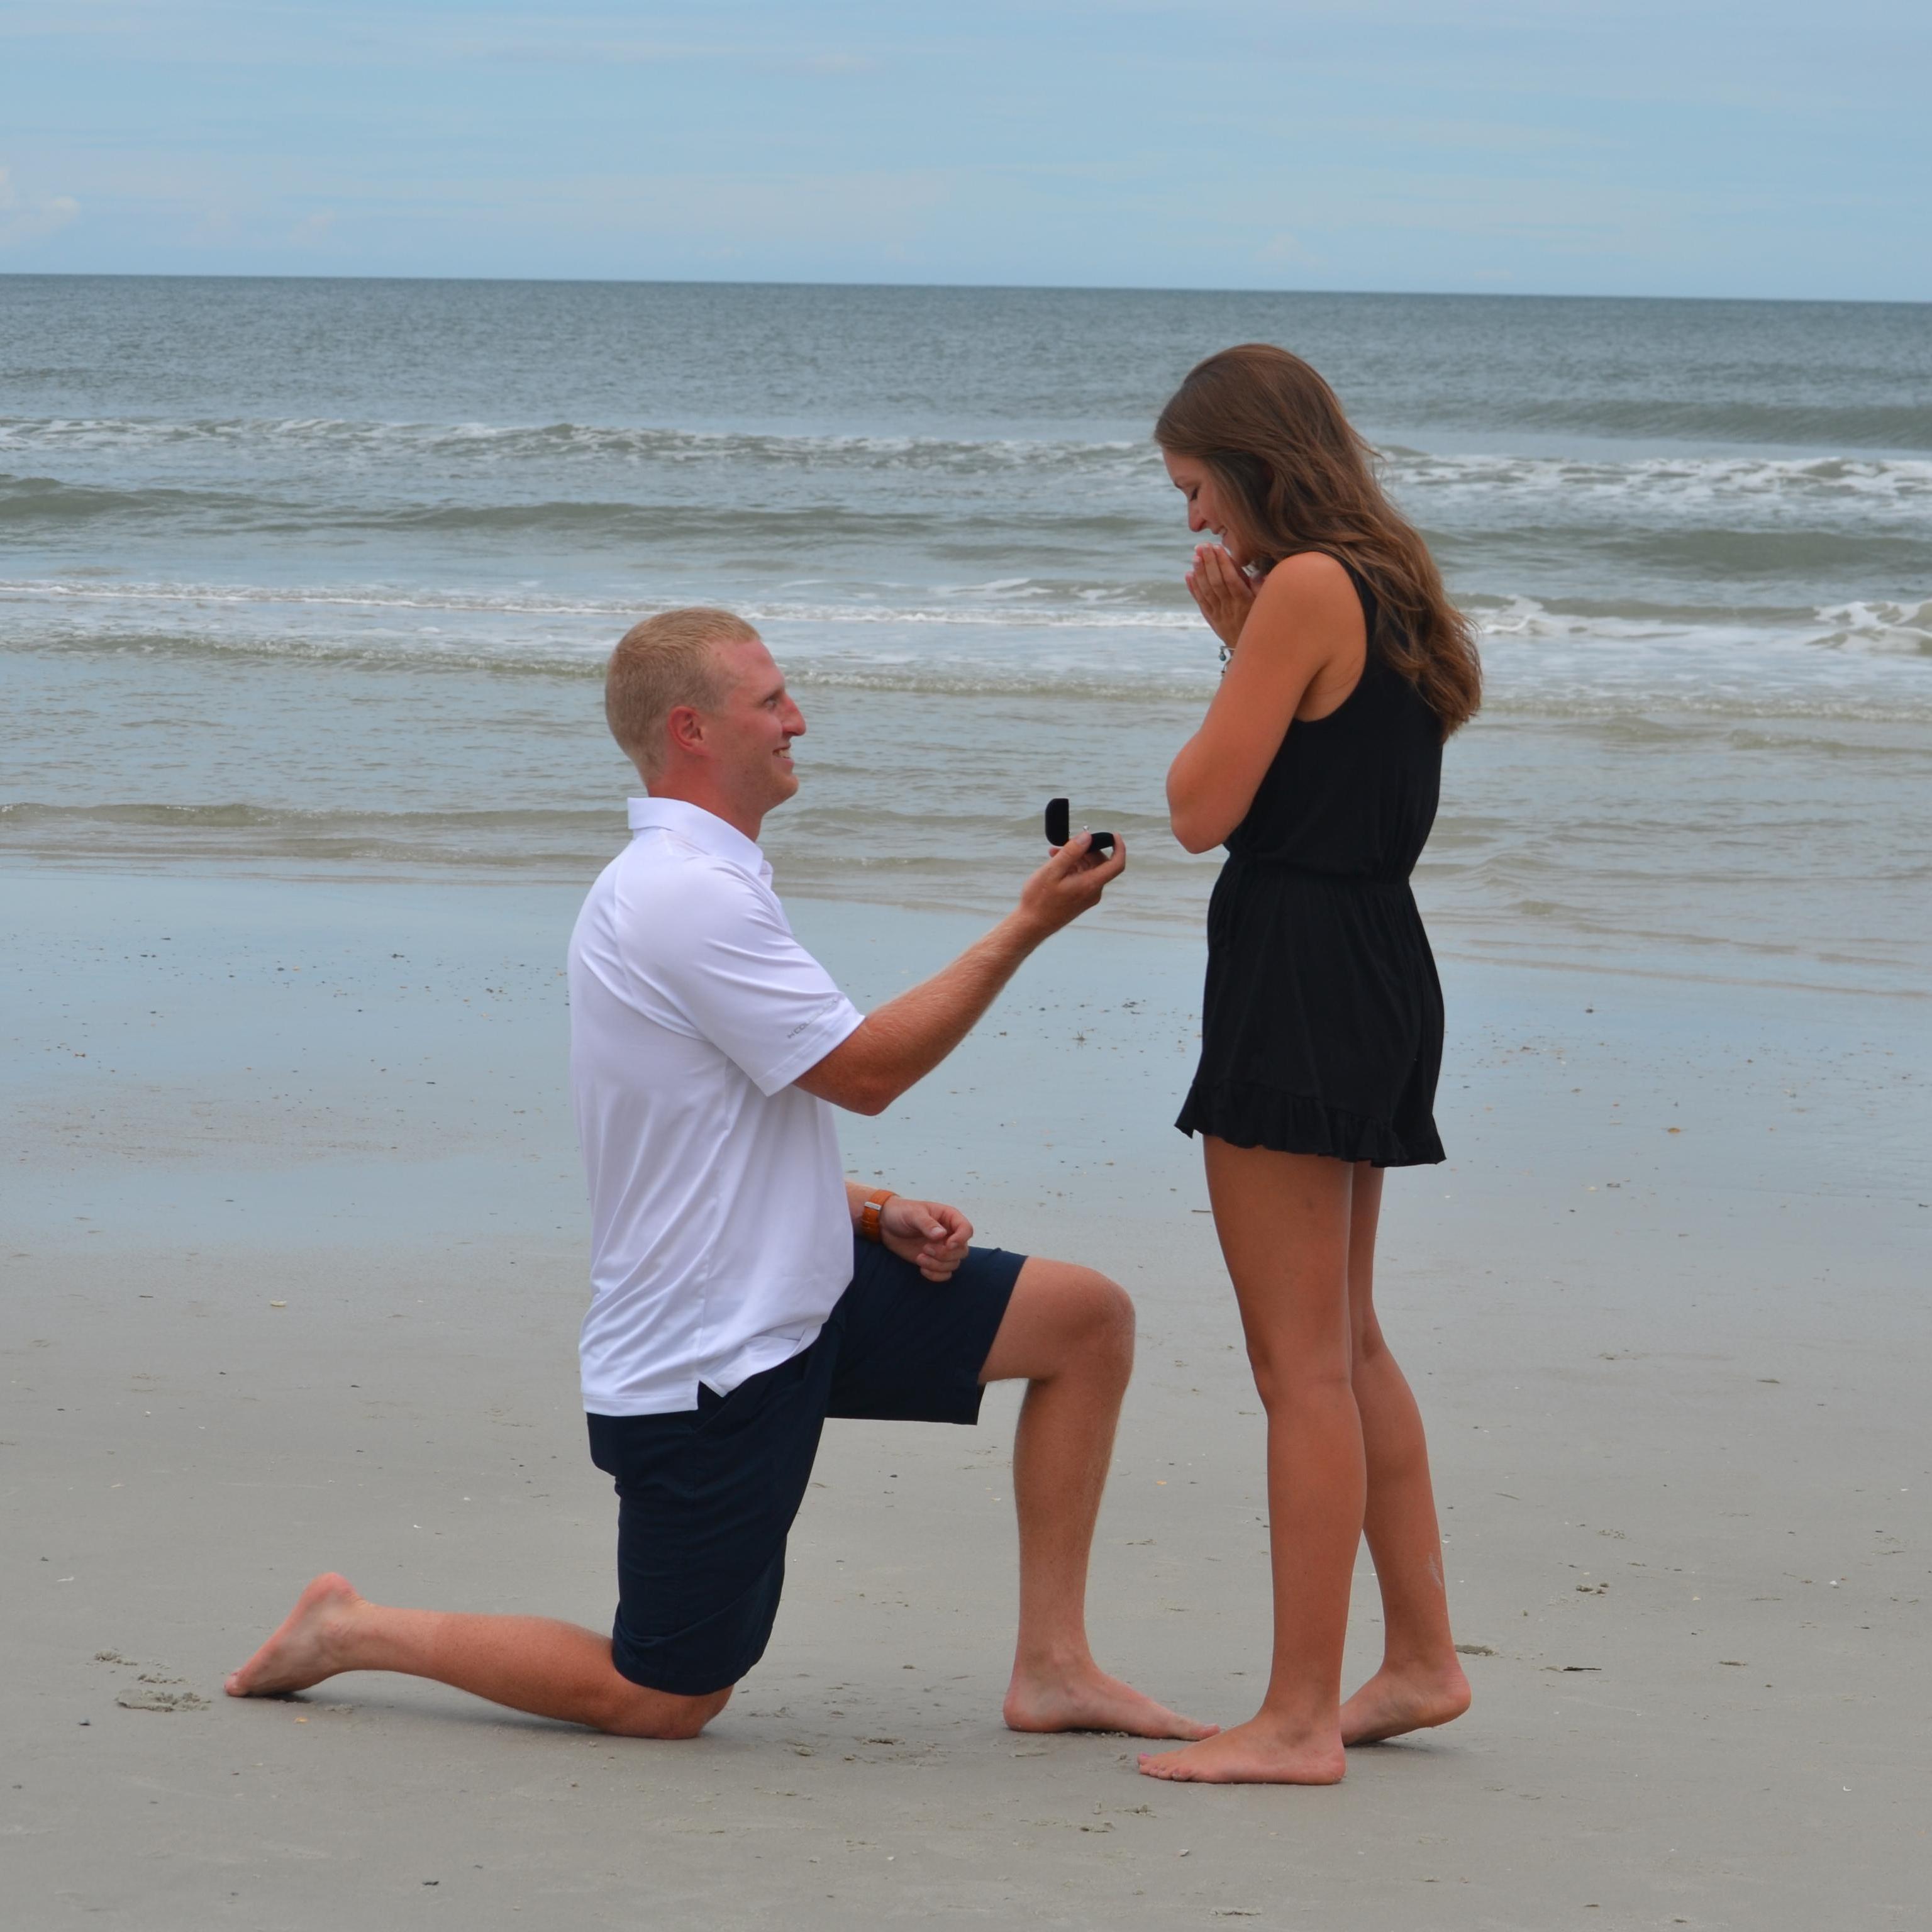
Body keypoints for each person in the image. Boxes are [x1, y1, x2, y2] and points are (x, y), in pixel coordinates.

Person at [228, 606, 1213, 1748]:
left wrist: (874, 1211)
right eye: (772, 701)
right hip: (710, 1356)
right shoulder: (681, 895)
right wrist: (1027, 925)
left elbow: (720, 1127)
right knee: (666, 1699)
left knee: (1084, 1323)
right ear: (692, 730)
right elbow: (868, 1073)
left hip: (806, 1291)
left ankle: (1055, 1669)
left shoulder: (712, 879)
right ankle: (354, 1628)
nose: (799, 719)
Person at [1136, 346, 1484, 1785]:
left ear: (1252, 463)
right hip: (1381, 960)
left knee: (1300, 1370)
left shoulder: (1301, 588)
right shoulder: (1391, 580)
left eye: (1197, 490)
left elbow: (1199, 809)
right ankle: (1418, 1660)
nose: (1196, 527)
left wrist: (1230, 641)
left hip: (1297, 971)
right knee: (1347, 1341)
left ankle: (1295, 1717)